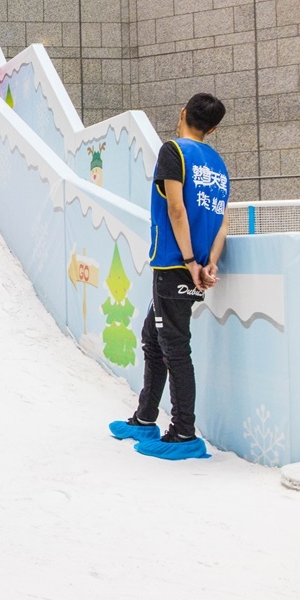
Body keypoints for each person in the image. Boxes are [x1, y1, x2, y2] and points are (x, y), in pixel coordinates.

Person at [109, 93, 229, 460]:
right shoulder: (218, 164)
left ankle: (183, 432)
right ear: (212, 128)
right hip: (194, 266)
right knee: (154, 337)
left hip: (176, 265)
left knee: (174, 346)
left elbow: (176, 209)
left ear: (182, 114)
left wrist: (192, 261)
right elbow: (222, 220)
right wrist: (211, 263)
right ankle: (145, 417)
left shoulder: (173, 152)